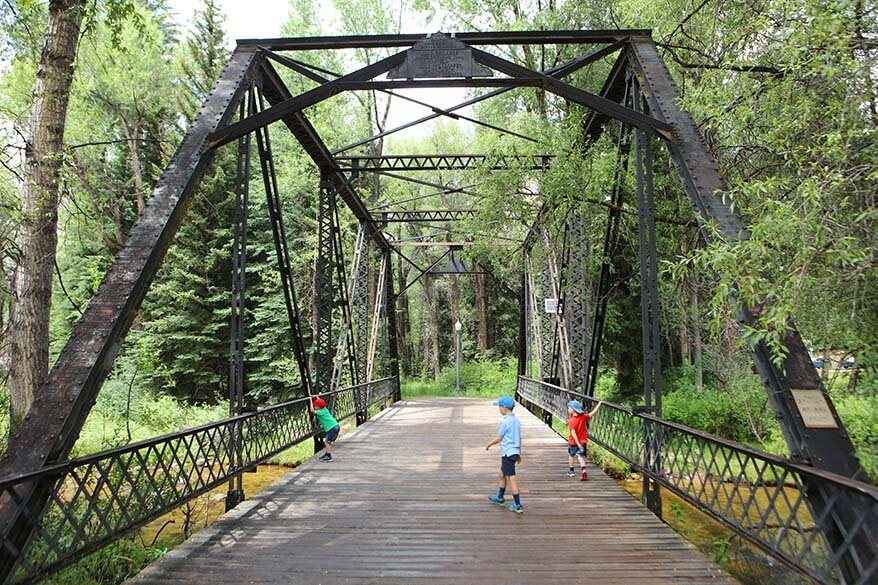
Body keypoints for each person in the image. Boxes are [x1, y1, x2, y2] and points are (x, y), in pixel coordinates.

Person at [485, 395, 523, 514]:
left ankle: (517, 504)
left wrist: (489, 444)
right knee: (501, 474)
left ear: (504, 408)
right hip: (513, 452)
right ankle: (500, 497)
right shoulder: (516, 421)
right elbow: (518, 438)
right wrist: (518, 453)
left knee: (512, 478)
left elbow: (499, 438)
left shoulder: (505, 422)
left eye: (499, 407)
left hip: (507, 453)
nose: (499, 409)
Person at [566, 399, 602, 480]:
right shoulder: (583, 417)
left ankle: (571, 471)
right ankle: (584, 470)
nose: (568, 409)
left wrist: (577, 443)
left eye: (569, 408)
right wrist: (599, 404)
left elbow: (573, 433)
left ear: (573, 410)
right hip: (582, 441)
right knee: (580, 456)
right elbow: (592, 413)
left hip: (573, 442)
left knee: (571, 455)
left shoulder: (571, 421)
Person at [309, 395, 340, 462]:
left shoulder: (320, 412)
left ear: (318, 407)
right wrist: (317, 397)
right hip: (336, 426)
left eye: (315, 405)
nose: (314, 406)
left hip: (332, 428)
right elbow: (321, 403)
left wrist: (310, 400)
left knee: (327, 442)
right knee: (328, 441)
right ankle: (327, 454)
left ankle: (329, 456)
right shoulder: (324, 409)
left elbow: (312, 410)